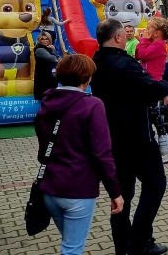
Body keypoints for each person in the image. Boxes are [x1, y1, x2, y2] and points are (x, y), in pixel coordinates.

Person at [91, 19, 168, 255]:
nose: (129, 36)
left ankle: (123, 245)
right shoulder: (125, 65)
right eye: (124, 34)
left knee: (122, 196)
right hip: (138, 138)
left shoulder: (96, 63)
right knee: (156, 184)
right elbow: (152, 90)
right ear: (117, 37)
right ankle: (139, 239)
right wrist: (167, 83)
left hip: (111, 140)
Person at [35, 54, 123, 254]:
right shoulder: (92, 105)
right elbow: (102, 153)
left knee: (70, 242)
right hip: (78, 189)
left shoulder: (47, 100)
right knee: (72, 249)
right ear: (87, 78)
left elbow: (43, 146)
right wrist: (115, 191)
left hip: (50, 187)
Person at [136, 17, 168, 82]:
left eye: (148, 28)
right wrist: (144, 41)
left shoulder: (159, 45)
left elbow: (142, 55)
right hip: (147, 78)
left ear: (156, 33)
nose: (145, 30)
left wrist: (144, 40)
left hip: (153, 80)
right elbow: (137, 55)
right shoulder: (150, 43)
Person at [34, 31, 60, 100]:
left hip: (51, 78)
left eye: (47, 39)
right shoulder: (39, 49)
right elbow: (53, 59)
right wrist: (54, 51)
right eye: (43, 39)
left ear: (50, 40)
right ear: (40, 40)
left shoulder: (49, 49)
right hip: (43, 80)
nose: (45, 41)